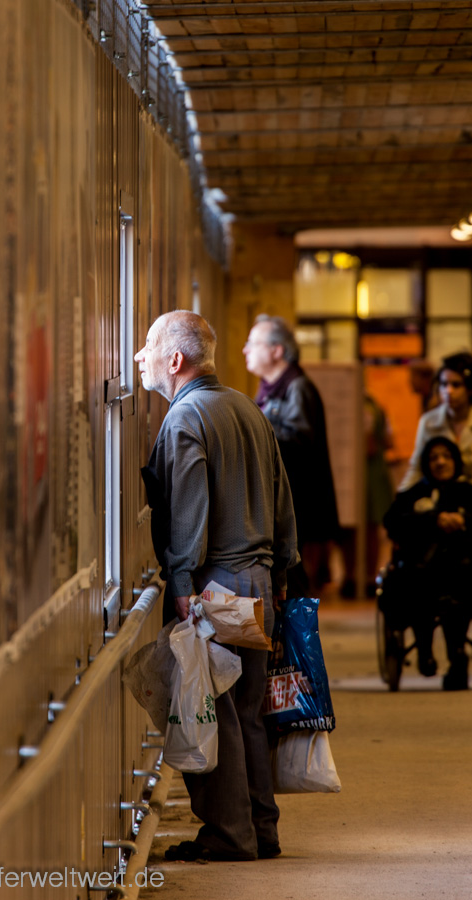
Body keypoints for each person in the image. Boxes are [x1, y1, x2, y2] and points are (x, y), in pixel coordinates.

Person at [135, 310, 299, 862]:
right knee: (248, 713)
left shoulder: (185, 418)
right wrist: (280, 572)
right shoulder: (247, 409)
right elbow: (282, 498)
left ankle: (229, 836)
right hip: (258, 582)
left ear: (175, 360)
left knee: (214, 711)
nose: (139, 356)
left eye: (149, 345)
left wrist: (182, 581)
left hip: (213, 588)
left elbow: (188, 509)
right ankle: (260, 828)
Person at [383, 436, 472, 690]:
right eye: (434, 457)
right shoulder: (412, 495)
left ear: (456, 461)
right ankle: (425, 652)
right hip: (420, 575)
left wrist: (464, 520)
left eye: (446, 456)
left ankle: (458, 657)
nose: (440, 462)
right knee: (417, 586)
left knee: (464, 589)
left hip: (465, 573)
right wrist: (433, 520)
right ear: (425, 463)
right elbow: (392, 522)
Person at [243, 315, 339, 595]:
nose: (245, 349)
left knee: (293, 585)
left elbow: (298, 444)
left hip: (297, 505)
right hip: (284, 503)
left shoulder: (297, 387)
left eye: (253, 343)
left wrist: (253, 433)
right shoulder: (273, 387)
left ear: (277, 351)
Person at [399, 351, 472, 493]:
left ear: (471, 389)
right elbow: (417, 469)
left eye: (456, 385)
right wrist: (402, 496)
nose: (448, 391)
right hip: (441, 501)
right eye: (444, 384)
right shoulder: (429, 422)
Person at [342, 393, 394, 598]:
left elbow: (369, 445)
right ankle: (367, 576)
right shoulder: (374, 405)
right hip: (371, 473)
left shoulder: (364, 406)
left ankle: (353, 576)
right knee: (366, 528)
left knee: (358, 527)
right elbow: (387, 441)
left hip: (363, 473)